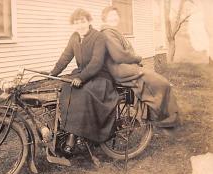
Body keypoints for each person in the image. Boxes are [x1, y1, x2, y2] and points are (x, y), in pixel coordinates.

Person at [49, 8, 120, 150]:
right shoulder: (74, 37)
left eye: (82, 21)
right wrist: (53, 73)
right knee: (67, 88)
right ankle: (68, 130)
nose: (80, 25)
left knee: (82, 92)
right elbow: (65, 57)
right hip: (83, 74)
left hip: (100, 76)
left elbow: (96, 62)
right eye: (76, 22)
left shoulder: (98, 37)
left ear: (88, 21)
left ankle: (74, 136)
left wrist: (81, 78)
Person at [100, 6, 179, 129]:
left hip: (123, 67)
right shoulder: (107, 33)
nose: (114, 18)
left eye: (116, 15)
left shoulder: (112, 31)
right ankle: (165, 118)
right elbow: (119, 55)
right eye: (111, 16)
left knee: (155, 82)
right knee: (161, 82)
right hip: (120, 69)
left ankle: (159, 115)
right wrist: (137, 58)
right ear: (104, 18)